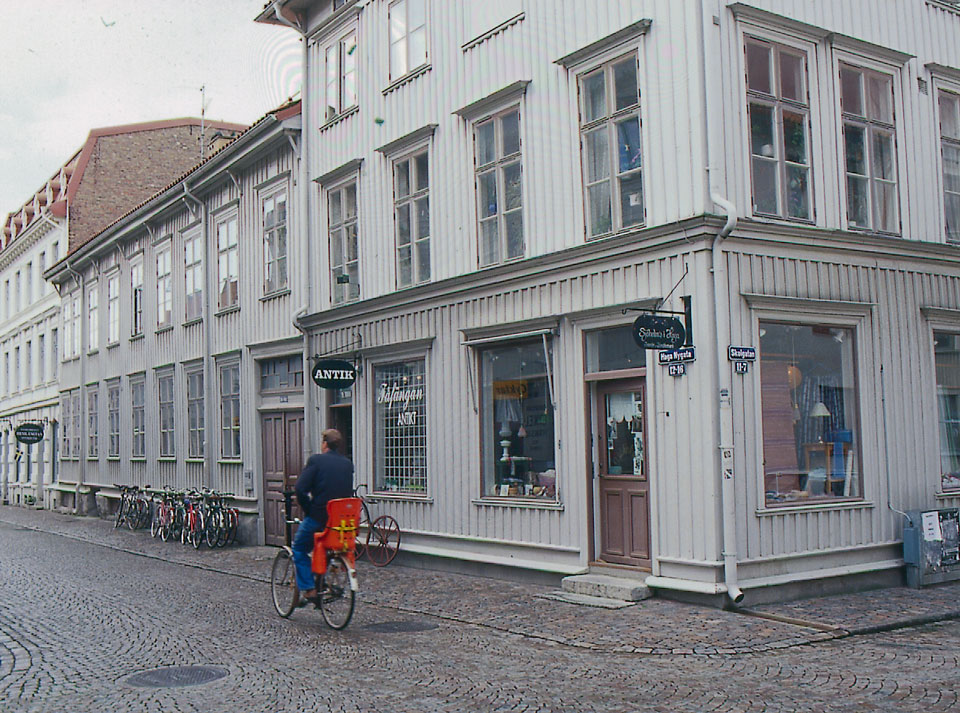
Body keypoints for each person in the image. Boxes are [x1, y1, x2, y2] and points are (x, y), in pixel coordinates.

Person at [292, 428, 354, 605]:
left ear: (324, 444)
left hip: (319, 517)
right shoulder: (347, 463)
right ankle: (320, 579)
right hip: (340, 522)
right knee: (326, 548)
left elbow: (300, 489)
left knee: (299, 549)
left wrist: (308, 509)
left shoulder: (316, 461)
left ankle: (309, 589)